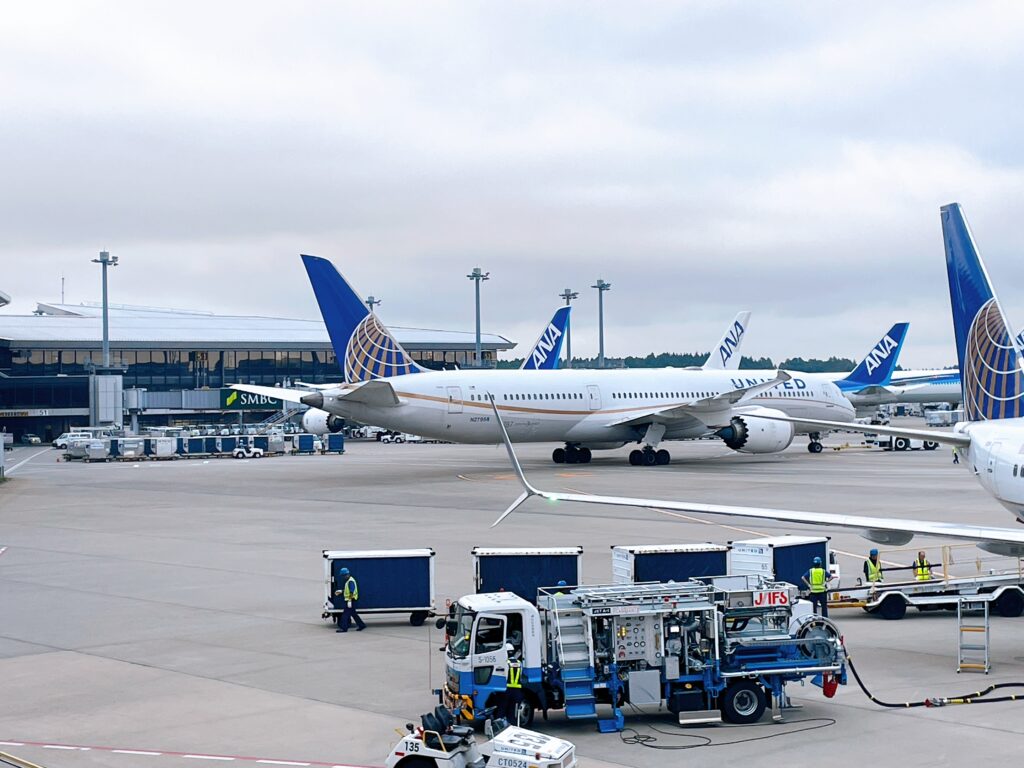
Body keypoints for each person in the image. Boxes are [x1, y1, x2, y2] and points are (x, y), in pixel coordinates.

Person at [334, 566, 366, 632]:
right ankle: (361, 625)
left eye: (344, 575)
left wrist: (349, 600)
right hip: (351, 600)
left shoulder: (350, 581)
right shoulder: (349, 581)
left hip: (351, 600)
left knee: (345, 615)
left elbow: (351, 591)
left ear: (347, 574)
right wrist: (341, 591)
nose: (343, 577)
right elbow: (347, 590)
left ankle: (344, 628)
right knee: (354, 614)